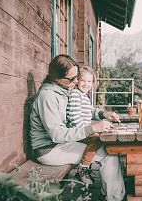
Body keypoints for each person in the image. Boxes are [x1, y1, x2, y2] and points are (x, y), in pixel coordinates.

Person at [30, 55, 125, 201]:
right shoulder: (47, 97)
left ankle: (111, 196)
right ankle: (114, 198)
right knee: (109, 153)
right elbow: (57, 134)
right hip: (50, 149)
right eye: (72, 78)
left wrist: (104, 113)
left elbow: (85, 108)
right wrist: (93, 128)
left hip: (60, 144)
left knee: (107, 147)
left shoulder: (63, 89)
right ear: (57, 77)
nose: (76, 81)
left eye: (76, 77)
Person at [66, 66, 101, 184]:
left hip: (83, 131)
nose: (86, 84)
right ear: (77, 80)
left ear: (93, 83)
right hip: (76, 132)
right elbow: (74, 117)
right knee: (96, 139)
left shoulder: (84, 96)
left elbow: (90, 112)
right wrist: (89, 131)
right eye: (83, 80)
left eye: (89, 81)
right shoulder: (76, 94)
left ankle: (87, 166)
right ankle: (82, 168)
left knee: (99, 136)